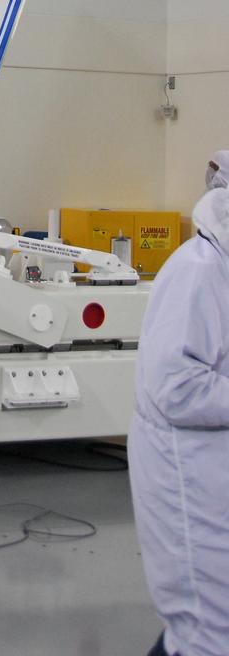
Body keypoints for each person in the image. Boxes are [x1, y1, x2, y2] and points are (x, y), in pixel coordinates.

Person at [127, 186, 229, 656]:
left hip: (215, 466)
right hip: (190, 472)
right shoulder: (199, 269)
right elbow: (177, 386)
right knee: (208, 628)